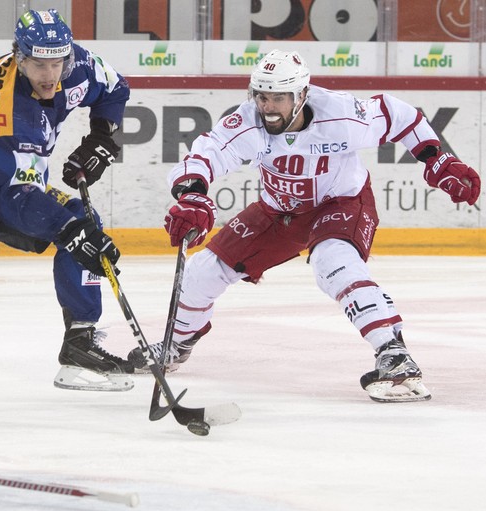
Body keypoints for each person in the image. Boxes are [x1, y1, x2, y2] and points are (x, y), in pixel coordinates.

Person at [129, 49, 480, 403]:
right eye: (261, 96)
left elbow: (397, 114)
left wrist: (438, 159)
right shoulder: (248, 121)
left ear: (301, 95)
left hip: (340, 202)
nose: (267, 106)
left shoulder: (341, 114)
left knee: (334, 261)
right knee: (202, 271)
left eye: (278, 97)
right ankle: (178, 342)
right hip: (278, 211)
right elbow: (209, 152)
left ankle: (392, 351)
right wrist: (192, 196)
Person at [0, 8, 134, 391]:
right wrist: (70, 231)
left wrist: (102, 138)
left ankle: (80, 347)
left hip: (2, 174)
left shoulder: (76, 64)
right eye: (39, 65)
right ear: (20, 57)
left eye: (57, 64)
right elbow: (15, 197)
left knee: (83, 220)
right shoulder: (5, 106)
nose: (50, 76)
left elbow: (116, 89)